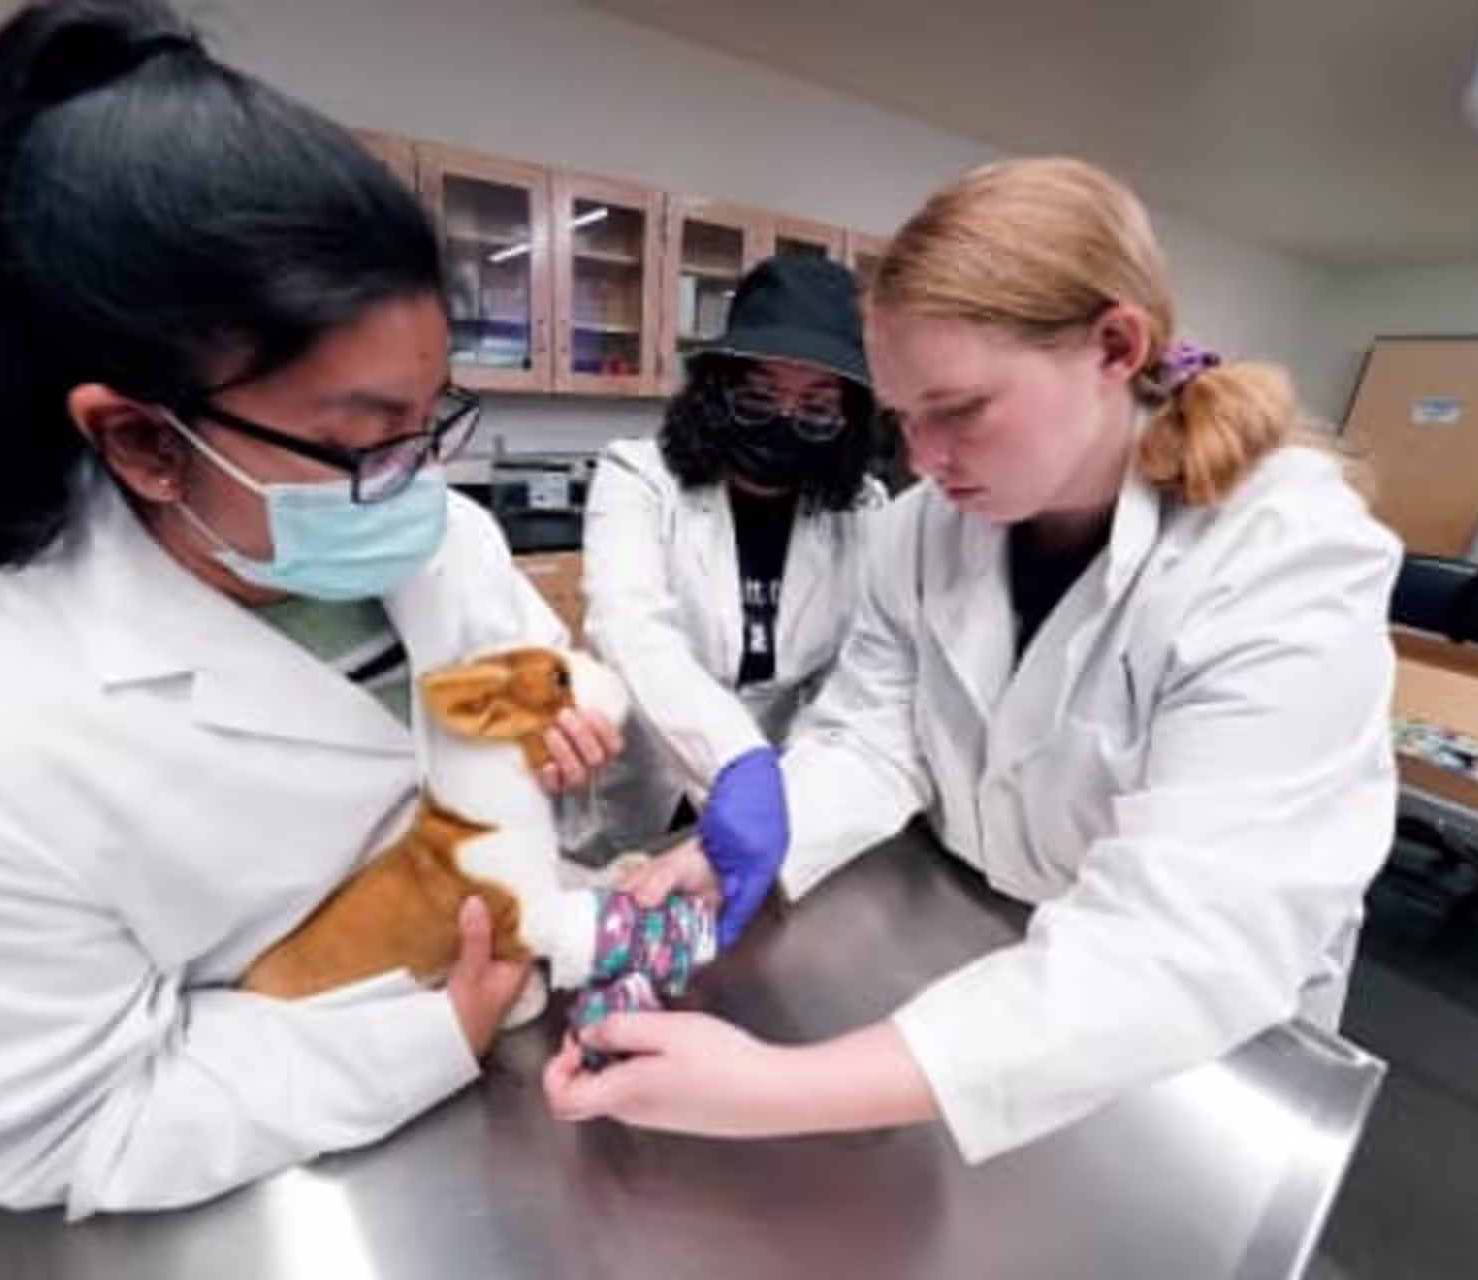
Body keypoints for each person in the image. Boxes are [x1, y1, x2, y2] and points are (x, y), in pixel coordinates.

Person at [0, 0, 619, 1218]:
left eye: (429, 418)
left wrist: (570, 738)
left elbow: (542, 695)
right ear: (140, 438)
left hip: (529, 1075)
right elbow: (51, 1129)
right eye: (358, 440)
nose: (417, 479)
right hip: (282, 1189)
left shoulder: (447, 539)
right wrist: (426, 1030)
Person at [545, 157, 1403, 1161]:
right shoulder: (922, 530)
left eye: (958, 409)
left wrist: (776, 1087)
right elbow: (875, 731)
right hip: (974, 935)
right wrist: (761, 839)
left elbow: (1188, 936)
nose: (923, 457)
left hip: (1187, 1029)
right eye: (904, 419)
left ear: (1116, 346)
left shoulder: (1281, 547)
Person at [582, 257, 886, 946]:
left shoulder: (865, 508)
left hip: (787, 790)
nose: (784, 419)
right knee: (628, 925)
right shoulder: (639, 475)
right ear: (714, 390)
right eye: (758, 394)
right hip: (653, 776)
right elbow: (630, 627)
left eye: (816, 406)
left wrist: (791, 785)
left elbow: (853, 670)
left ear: (849, 418)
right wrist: (736, 761)